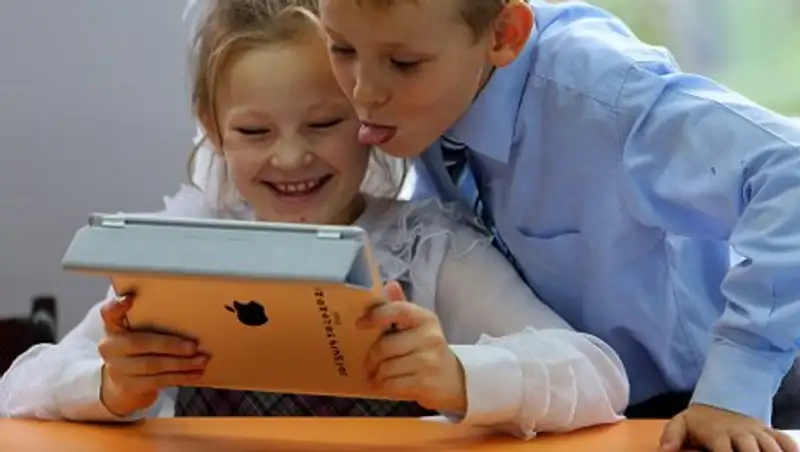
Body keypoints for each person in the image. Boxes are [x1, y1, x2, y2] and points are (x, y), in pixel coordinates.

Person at [0, 0, 628, 439]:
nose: (290, 157)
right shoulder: (180, 253)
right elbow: (20, 386)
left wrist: (459, 375)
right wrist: (110, 388)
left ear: (368, 118)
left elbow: (599, 375)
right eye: (254, 131)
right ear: (214, 130)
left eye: (325, 123)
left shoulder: (426, 252)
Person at [315, 0, 800, 451]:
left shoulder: (604, 97)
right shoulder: (429, 84)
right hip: (579, 404)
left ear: (503, 35)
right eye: (341, 48)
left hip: (738, 395)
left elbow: (789, 173)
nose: (364, 92)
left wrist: (735, 387)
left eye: (404, 63)